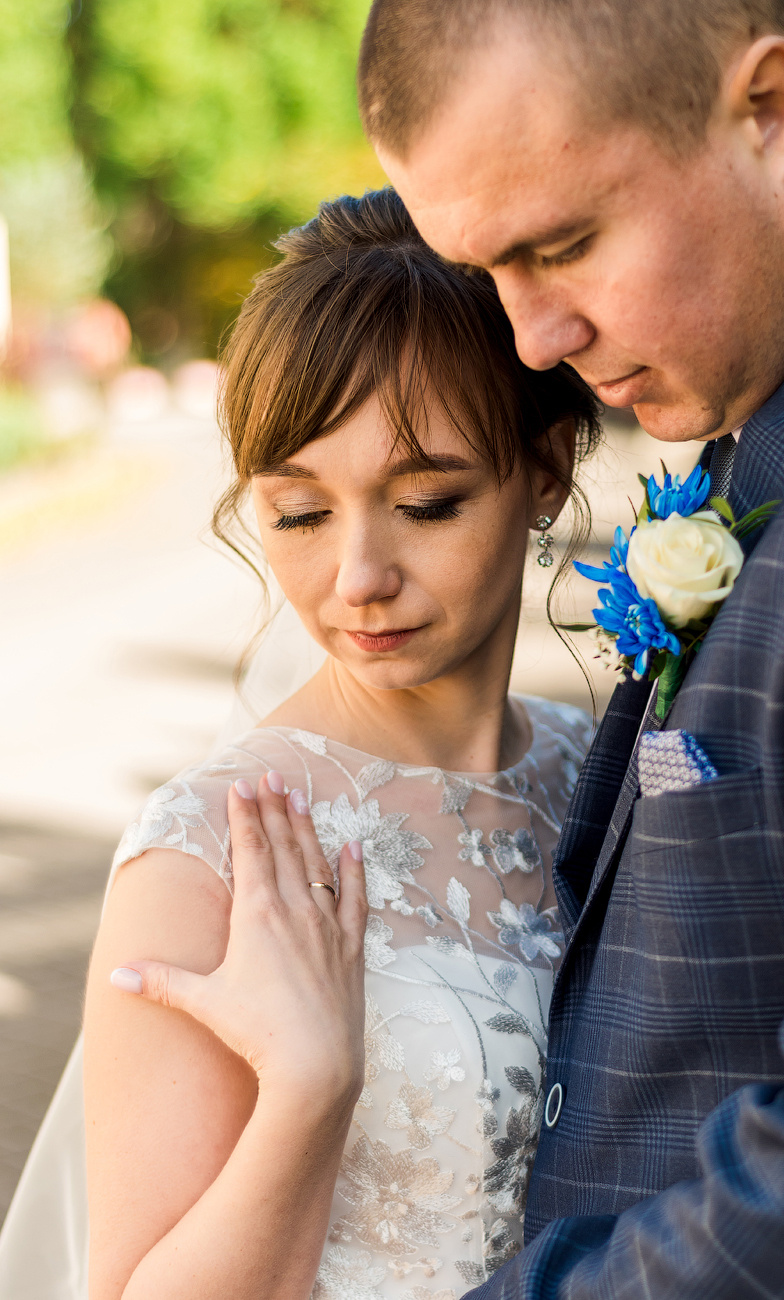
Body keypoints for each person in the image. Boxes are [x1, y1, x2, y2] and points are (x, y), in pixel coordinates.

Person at [0, 187, 601, 1298]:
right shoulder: (206, 856)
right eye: (300, 512)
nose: (358, 578)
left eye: (425, 504)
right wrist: (310, 1085)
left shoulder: (598, 769)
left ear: (549, 469)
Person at [355, 0, 784, 1295]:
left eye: (564, 245)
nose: (531, 340)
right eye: (489, 274)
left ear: (771, 114)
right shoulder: (782, 417)